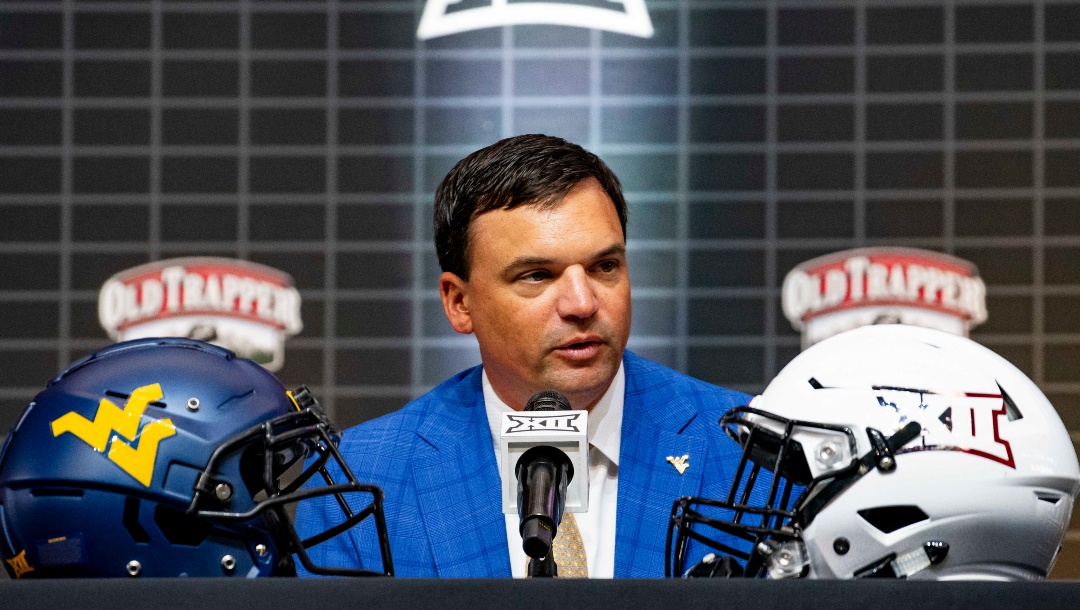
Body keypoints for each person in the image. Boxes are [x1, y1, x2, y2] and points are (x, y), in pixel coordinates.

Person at [294, 134, 749, 577]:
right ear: (459, 303)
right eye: (537, 275)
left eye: (604, 266)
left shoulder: (750, 451)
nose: (582, 303)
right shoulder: (357, 481)